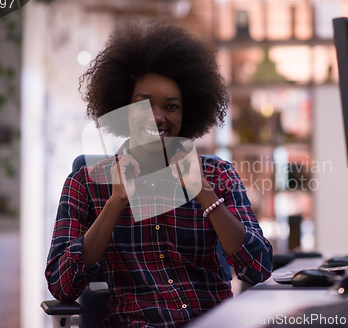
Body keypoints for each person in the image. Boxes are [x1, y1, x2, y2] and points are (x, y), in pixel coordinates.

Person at [45, 20, 273, 328]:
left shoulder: (218, 174)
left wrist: (205, 194)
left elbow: (258, 268)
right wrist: (115, 203)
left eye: (171, 106)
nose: (157, 117)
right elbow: (62, 285)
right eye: (144, 104)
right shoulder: (86, 183)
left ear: (187, 112)